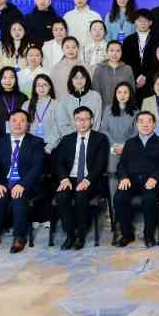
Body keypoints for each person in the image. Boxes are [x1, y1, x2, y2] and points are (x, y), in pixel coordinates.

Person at [0, 110, 45, 254]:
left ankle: (19, 237)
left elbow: (37, 167)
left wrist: (23, 184)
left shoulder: (36, 142)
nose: (18, 124)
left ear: (28, 124)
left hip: (26, 183)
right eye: (14, 120)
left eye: (22, 120)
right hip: (4, 183)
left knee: (19, 198)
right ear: (8, 123)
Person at [54, 107, 110, 250]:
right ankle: (70, 235)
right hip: (70, 178)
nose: (82, 122)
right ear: (75, 121)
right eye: (79, 119)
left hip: (91, 179)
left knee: (81, 195)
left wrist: (87, 180)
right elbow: (59, 162)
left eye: (86, 119)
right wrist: (64, 179)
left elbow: (100, 164)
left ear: (92, 121)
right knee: (62, 196)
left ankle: (81, 235)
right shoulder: (67, 139)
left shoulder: (100, 139)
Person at [114, 110, 159, 247]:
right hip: (131, 180)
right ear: (136, 124)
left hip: (151, 180)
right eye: (141, 122)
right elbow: (121, 164)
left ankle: (149, 235)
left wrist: (155, 178)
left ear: (154, 124)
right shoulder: (130, 143)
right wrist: (124, 177)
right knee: (119, 198)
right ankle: (127, 234)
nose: (145, 125)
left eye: (149, 121)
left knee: (149, 199)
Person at [101, 82, 139, 179]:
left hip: (128, 148)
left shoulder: (136, 111)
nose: (122, 95)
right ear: (115, 94)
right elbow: (103, 129)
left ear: (130, 94)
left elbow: (136, 132)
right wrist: (114, 144)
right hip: (112, 148)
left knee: (127, 176)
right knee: (113, 174)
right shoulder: (108, 109)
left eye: (125, 92)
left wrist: (125, 145)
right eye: (119, 92)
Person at [57, 65, 104, 139]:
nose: (79, 81)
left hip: (91, 138)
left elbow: (96, 121)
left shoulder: (95, 96)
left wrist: (88, 137)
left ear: (87, 79)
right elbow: (62, 123)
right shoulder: (64, 98)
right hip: (70, 138)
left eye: (82, 77)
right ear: (71, 80)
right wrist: (75, 137)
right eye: (76, 78)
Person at [92, 40, 135, 110]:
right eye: (111, 50)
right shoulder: (99, 69)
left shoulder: (127, 69)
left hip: (123, 108)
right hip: (104, 109)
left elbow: (131, 89)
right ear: (107, 52)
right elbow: (95, 90)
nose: (114, 54)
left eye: (118, 51)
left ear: (122, 52)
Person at [0, 67, 27, 137]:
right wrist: (0, 138)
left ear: (16, 79)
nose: (8, 80)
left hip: (20, 137)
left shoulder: (23, 97)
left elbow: (26, 119)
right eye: (4, 77)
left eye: (11, 77)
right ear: (0, 79)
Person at [28, 74, 60, 153]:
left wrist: (49, 147)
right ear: (34, 88)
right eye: (38, 85)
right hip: (31, 146)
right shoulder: (26, 105)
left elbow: (58, 128)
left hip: (50, 147)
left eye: (45, 85)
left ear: (50, 87)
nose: (41, 88)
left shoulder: (57, 105)